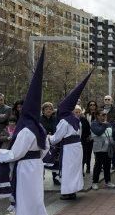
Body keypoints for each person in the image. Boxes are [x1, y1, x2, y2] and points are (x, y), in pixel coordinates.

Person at [0, 49, 49, 215]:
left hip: (26, 166)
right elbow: (46, 147)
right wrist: (37, 157)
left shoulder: (26, 129)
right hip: (36, 164)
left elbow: (17, 152)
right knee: (35, 194)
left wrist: (0, 154)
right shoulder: (39, 128)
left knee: (24, 195)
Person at [50, 71, 92, 200]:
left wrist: (48, 138)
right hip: (77, 147)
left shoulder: (64, 121)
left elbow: (57, 138)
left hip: (68, 148)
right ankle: (73, 190)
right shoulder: (76, 120)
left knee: (68, 170)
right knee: (75, 169)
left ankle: (67, 192)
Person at [90, 111, 115, 190]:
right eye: (102, 115)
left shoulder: (108, 124)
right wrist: (104, 125)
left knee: (107, 165)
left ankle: (108, 181)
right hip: (98, 148)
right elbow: (98, 132)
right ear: (97, 116)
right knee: (98, 165)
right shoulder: (94, 124)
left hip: (107, 147)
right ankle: (95, 182)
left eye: (105, 115)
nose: (104, 117)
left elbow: (111, 134)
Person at [40, 101, 60, 186]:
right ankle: (41, 178)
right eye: (46, 109)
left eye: (50, 109)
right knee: (42, 161)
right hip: (43, 142)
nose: (48, 110)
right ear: (43, 110)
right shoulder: (39, 119)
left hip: (54, 142)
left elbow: (59, 129)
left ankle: (55, 178)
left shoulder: (56, 118)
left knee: (55, 161)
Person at [83, 100, 99, 174]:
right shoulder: (85, 114)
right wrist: (88, 135)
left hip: (96, 136)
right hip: (88, 136)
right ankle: (88, 167)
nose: (92, 106)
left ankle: (98, 166)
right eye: (91, 105)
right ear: (88, 106)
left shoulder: (98, 114)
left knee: (97, 153)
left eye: (94, 105)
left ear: (96, 106)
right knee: (87, 152)